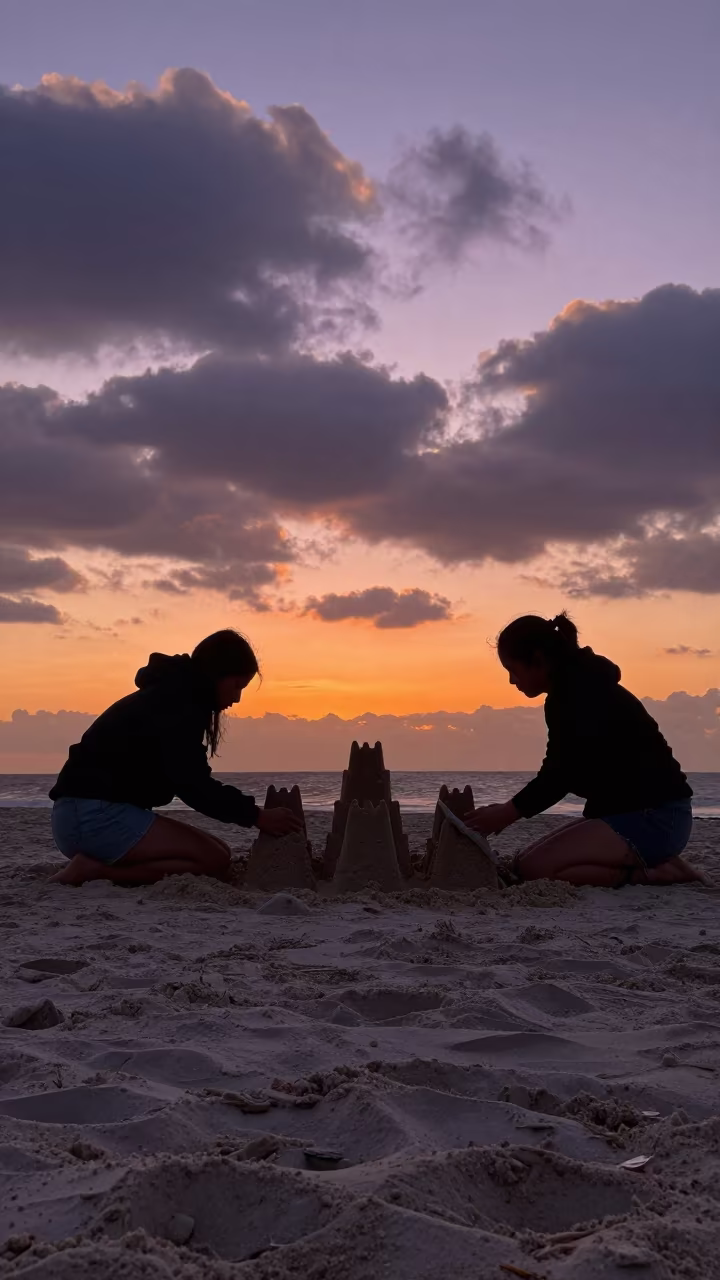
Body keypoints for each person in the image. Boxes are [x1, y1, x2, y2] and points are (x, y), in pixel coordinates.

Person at [465, 613, 705, 888]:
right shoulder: (570, 691)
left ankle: (657, 874)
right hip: (626, 812)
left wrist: (508, 812)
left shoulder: (580, 694)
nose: (511, 681)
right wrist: (510, 810)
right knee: (522, 863)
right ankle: (654, 861)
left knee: (535, 870)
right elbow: (561, 768)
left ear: (538, 660)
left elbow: (560, 774)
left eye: (513, 670)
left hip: (657, 817)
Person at [49, 629, 302, 886]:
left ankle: (101, 864)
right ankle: (95, 872)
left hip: (83, 815)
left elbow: (190, 779)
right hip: (92, 819)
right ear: (216, 674)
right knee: (212, 860)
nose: (237, 698)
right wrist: (257, 816)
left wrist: (250, 814)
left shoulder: (173, 695)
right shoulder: (177, 705)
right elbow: (192, 785)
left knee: (219, 852)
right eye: (236, 686)